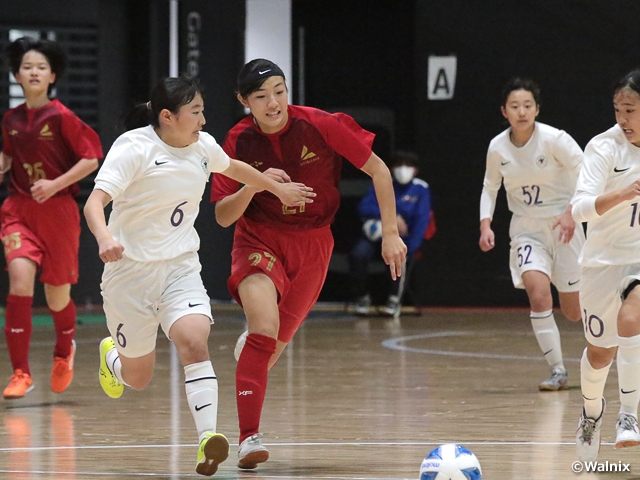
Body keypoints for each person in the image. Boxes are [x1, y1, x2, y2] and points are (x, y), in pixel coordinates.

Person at [83, 74, 313, 476]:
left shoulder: (203, 146)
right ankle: (113, 360)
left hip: (179, 268)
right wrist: (104, 237)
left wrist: (274, 189)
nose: (204, 120)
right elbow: (94, 203)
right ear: (168, 117)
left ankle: (208, 438)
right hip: (129, 275)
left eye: (203, 110)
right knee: (138, 377)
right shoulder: (134, 147)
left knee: (193, 340)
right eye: (196, 112)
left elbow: (236, 167)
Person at [210, 59, 407, 470]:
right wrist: (257, 184)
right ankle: (249, 439)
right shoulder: (236, 141)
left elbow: (379, 170)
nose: (273, 102)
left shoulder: (320, 124)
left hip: (313, 245)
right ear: (244, 101)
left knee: (269, 352)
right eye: (261, 96)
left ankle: (254, 352)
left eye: (279, 91)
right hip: (258, 238)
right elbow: (223, 216)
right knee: (263, 330)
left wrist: (390, 232)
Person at [0, 37, 103, 399]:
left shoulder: (61, 116)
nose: (33, 71)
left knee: (57, 298)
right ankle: (20, 373)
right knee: (19, 281)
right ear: (16, 74)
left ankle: (64, 352)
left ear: (52, 75)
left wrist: (56, 182)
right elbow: (9, 157)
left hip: (58, 212)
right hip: (19, 210)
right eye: (27, 66)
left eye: (40, 67)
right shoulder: (10, 119)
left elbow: (91, 159)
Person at [478, 77, 584, 391]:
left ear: (537, 109)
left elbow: (587, 174)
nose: (521, 111)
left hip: (565, 226)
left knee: (573, 312)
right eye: (514, 106)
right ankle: (558, 371)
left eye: (527, 105)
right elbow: (489, 187)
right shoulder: (497, 147)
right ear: (504, 111)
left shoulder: (555, 140)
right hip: (526, 228)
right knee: (538, 296)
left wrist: (571, 213)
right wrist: (486, 223)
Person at [572, 69, 640, 461]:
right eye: (617, 109)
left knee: (633, 316)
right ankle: (592, 413)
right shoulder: (603, 147)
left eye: (629, 109)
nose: (621, 118)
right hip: (601, 260)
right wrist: (622, 193)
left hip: (637, 257)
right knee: (600, 353)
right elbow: (579, 207)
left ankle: (629, 416)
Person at [350, 150, 432, 316]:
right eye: (399, 165)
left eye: (408, 165)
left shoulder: (421, 189)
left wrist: (412, 247)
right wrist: (392, 216)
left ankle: (394, 300)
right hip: (375, 236)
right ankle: (361, 297)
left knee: (400, 257)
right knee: (358, 255)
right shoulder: (383, 182)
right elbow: (364, 207)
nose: (403, 169)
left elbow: (422, 220)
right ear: (392, 168)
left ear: (415, 170)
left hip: (402, 239)